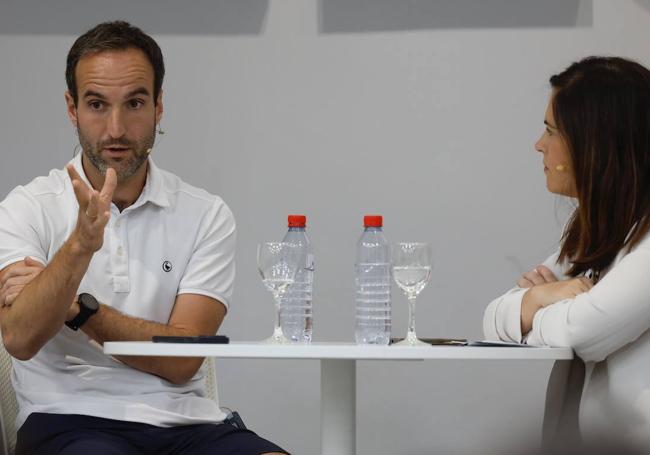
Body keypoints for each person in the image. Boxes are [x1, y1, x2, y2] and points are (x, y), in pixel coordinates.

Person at [0, 21, 287, 455]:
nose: (116, 128)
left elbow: (184, 357)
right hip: (68, 421)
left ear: (158, 107)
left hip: (189, 423)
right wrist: (79, 246)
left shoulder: (206, 214)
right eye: (97, 104)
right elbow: (19, 338)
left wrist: (75, 307)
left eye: (134, 103)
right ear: (72, 108)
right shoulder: (27, 207)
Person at [483, 56, 650, 449]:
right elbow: (493, 320)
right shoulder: (593, 229)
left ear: (596, 144)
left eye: (551, 131)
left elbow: (583, 334)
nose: (538, 145)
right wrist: (545, 296)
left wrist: (534, 311)